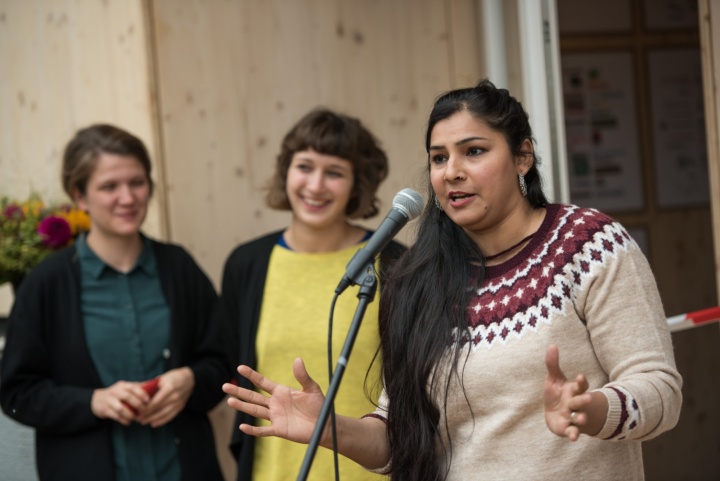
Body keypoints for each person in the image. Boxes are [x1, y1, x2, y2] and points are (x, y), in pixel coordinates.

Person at [221, 80, 683, 481]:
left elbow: (659, 389)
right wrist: (329, 429)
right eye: (438, 158)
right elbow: (398, 438)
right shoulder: (415, 277)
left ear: (523, 157)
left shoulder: (587, 244)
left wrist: (592, 409)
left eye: (474, 151)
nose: (451, 171)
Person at [0, 124, 227, 481]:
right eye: (109, 186)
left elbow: (225, 361)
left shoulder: (179, 267)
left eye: (137, 182)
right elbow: (16, 393)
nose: (128, 197)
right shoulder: (47, 283)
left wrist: (191, 380)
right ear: (80, 195)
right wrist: (91, 402)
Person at [216, 108, 405, 480]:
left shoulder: (397, 264)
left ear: (357, 184)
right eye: (304, 167)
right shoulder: (247, 264)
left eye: (334, 173)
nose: (315, 185)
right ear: (286, 171)